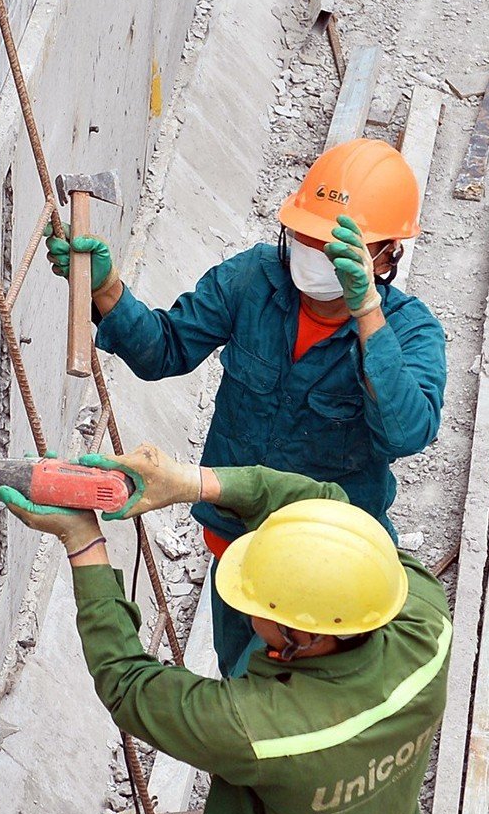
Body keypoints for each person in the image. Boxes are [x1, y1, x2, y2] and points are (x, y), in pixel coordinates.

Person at [46, 138, 445, 676]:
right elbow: (165, 349)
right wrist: (107, 290)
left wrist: (367, 312)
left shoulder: (410, 331)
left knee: (297, 707)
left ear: (386, 254)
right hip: (237, 547)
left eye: (335, 245)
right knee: (239, 680)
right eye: (305, 233)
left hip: (330, 568)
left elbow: (406, 433)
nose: (312, 251)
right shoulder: (253, 280)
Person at [0, 444, 451, 814]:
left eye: (257, 605)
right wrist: (188, 482)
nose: (248, 608)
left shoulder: (260, 728)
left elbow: (128, 684)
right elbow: (327, 510)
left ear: (304, 637)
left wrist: (83, 542)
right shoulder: (426, 621)